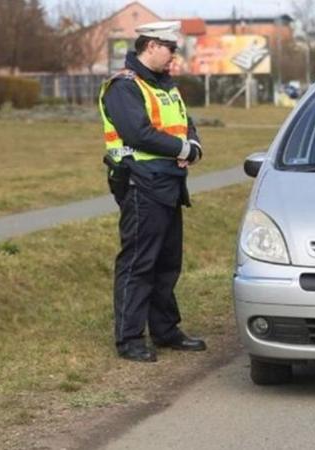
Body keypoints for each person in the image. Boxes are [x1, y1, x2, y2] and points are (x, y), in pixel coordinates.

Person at [99, 21, 207, 362]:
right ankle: (129, 338)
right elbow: (137, 134)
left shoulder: (165, 85)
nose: (174, 54)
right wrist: (182, 149)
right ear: (150, 47)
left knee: (167, 262)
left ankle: (165, 330)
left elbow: (185, 122)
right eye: (170, 48)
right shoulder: (124, 87)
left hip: (168, 185)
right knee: (138, 262)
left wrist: (192, 143)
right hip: (140, 184)